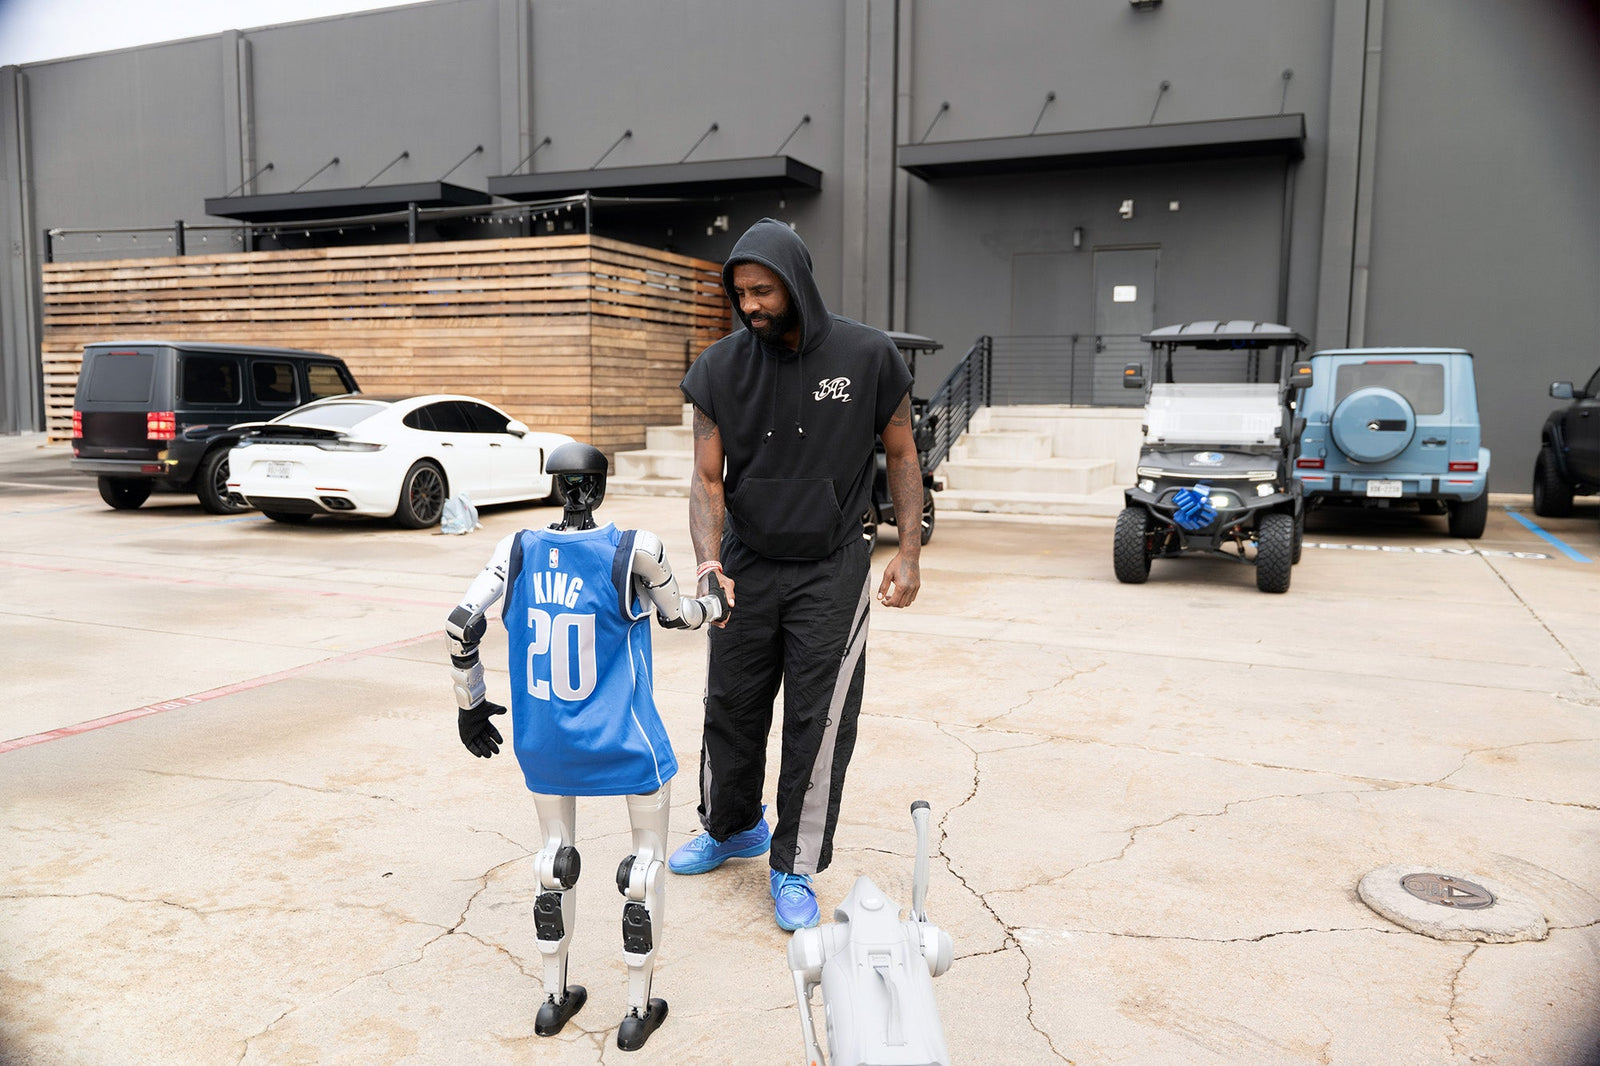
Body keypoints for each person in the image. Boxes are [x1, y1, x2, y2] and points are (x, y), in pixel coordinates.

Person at [668, 217, 924, 931]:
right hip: (746, 562)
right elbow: (706, 480)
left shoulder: (869, 356)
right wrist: (708, 561)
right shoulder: (719, 369)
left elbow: (902, 457)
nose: (749, 305)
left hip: (833, 568)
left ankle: (794, 863)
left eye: (762, 289)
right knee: (731, 704)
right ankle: (731, 826)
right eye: (739, 292)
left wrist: (908, 551)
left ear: (796, 282)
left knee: (818, 719)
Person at [447, 442, 728, 1052]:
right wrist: (717, 603)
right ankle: (635, 1009)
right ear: (599, 488)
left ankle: (554, 1000)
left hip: (545, 743)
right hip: (625, 743)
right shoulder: (633, 550)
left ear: (556, 487)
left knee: (553, 860)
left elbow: (460, 624)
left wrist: (471, 704)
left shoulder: (516, 549)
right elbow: (679, 616)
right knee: (645, 866)